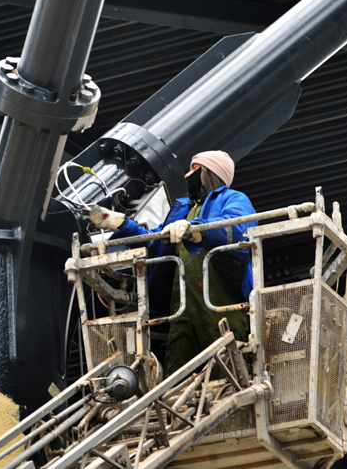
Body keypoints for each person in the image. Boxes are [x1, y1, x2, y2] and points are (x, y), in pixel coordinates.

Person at [88, 150, 257, 375]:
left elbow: (238, 227)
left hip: (220, 311)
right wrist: (120, 223)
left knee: (226, 377)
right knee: (177, 380)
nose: (189, 175)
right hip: (182, 313)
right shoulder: (182, 210)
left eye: (196, 169)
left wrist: (197, 231)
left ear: (211, 172)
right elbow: (156, 243)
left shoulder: (233, 199)